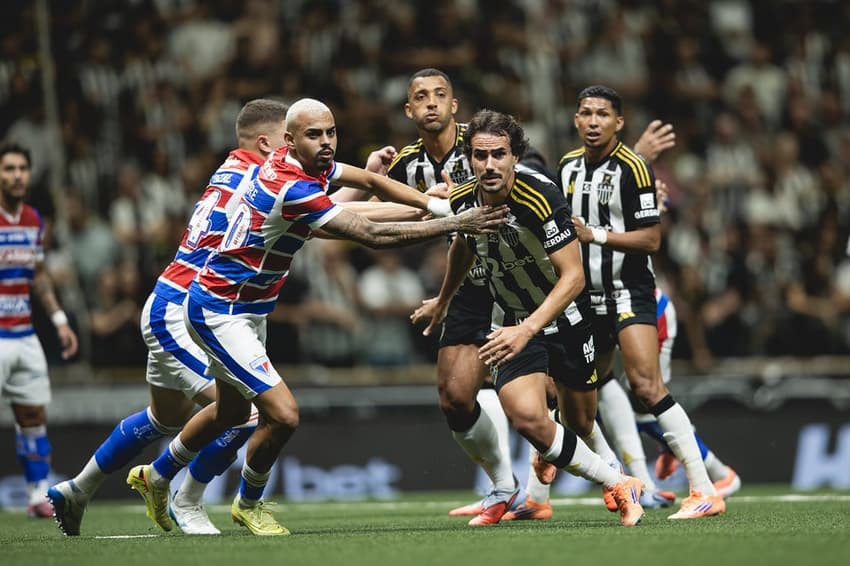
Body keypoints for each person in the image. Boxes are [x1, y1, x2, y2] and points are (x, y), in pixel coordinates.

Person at [125, 98, 508, 537]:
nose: (326, 142)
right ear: (288, 141)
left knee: (231, 412)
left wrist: (436, 206)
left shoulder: (309, 165)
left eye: (330, 132)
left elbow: (370, 180)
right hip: (218, 310)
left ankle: (156, 476)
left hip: (248, 308)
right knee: (283, 414)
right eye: (314, 135)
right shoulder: (290, 185)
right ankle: (249, 503)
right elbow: (370, 233)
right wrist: (454, 223)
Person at [48, 99, 291, 536]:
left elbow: (312, 214)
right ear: (264, 143)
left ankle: (78, 489)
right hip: (186, 313)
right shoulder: (261, 180)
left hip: (174, 302)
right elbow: (320, 215)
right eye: (286, 139)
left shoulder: (233, 170)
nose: (293, 147)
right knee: (245, 412)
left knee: (164, 418)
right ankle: (186, 498)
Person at [414, 109, 645, 527]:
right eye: (480, 156)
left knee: (581, 422)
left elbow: (573, 277)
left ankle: (571, 468)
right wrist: (444, 300)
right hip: (513, 323)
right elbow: (463, 246)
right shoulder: (463, 200)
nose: (489, 165)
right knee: (526, 418)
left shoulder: (541, 197)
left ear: (515, 156)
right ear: (469, 158)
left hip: (566, 318)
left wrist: (529, 329)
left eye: (498, 155)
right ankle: (619, 482)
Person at [559, 85, 725, 519]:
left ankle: (704, 488)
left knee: (647, 387)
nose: (593, 121)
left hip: (627, 291)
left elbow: (651, 239)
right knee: (583, 399)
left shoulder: (634, 167)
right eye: (586, 113)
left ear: (619, 122)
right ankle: (621, 480)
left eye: (602, 114)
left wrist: (594, 235)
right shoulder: (566, 166)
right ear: (575, 119)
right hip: (585, 298)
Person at [0, 142, 79, 518]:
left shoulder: (33, 219)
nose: (17, 175)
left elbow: (38, 274)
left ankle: (35, 496)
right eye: (9, 169)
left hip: (24, 334)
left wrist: (59, 319)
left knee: (33, 415)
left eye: (22, 169)